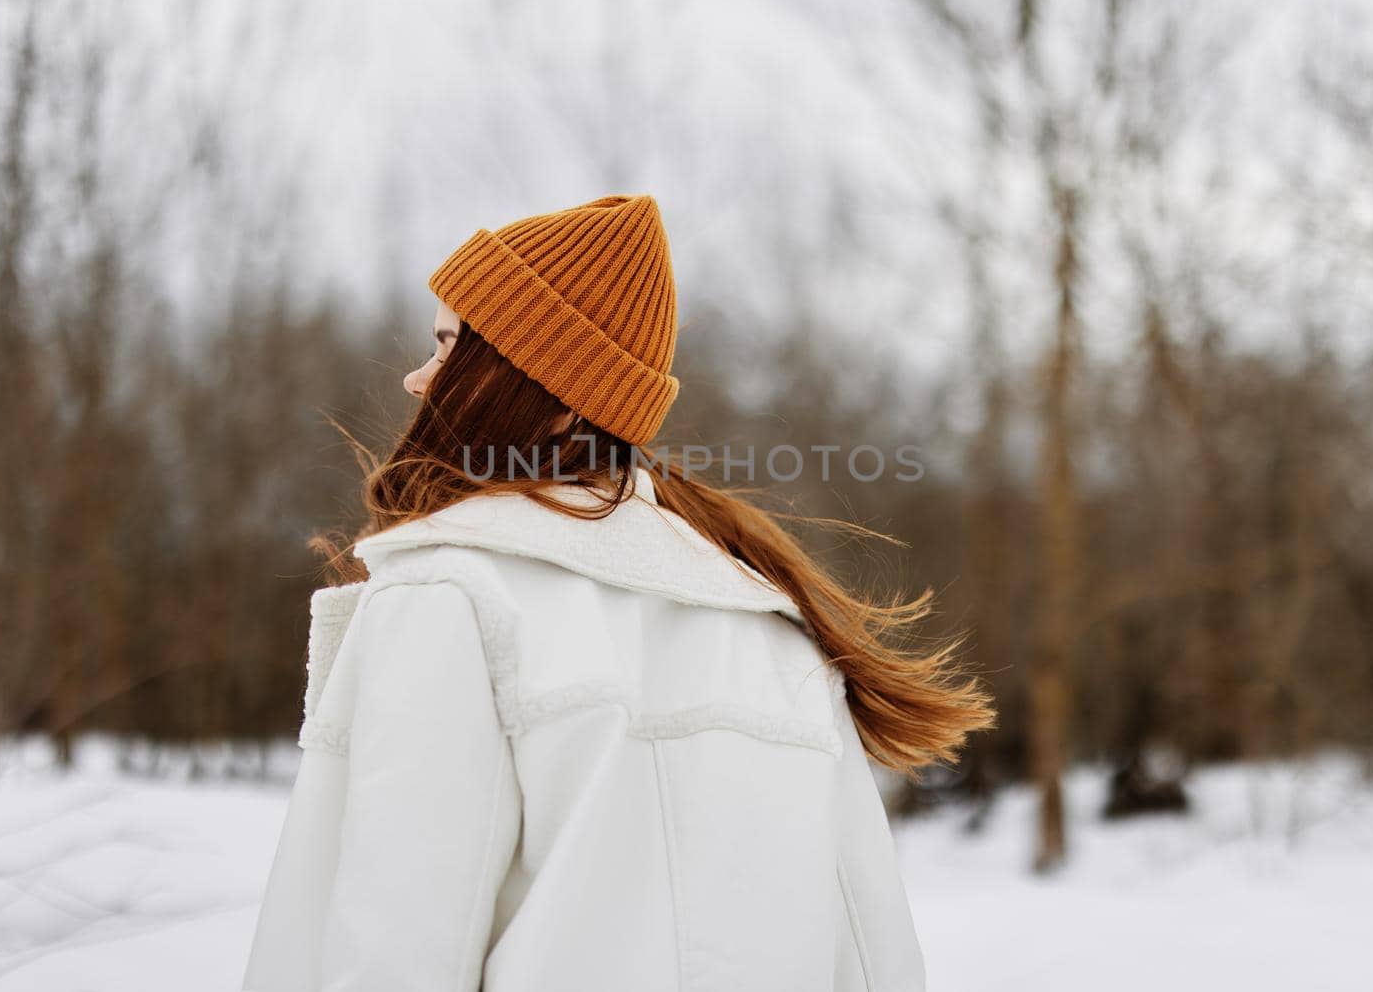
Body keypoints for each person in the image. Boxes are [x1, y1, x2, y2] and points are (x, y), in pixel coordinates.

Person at [241, 193, 995, 992]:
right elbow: (876, 954)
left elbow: (393, 945)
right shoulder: (773, 623)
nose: (416, 378)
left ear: (553, 389)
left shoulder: (449, 593)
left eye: (449, 346)